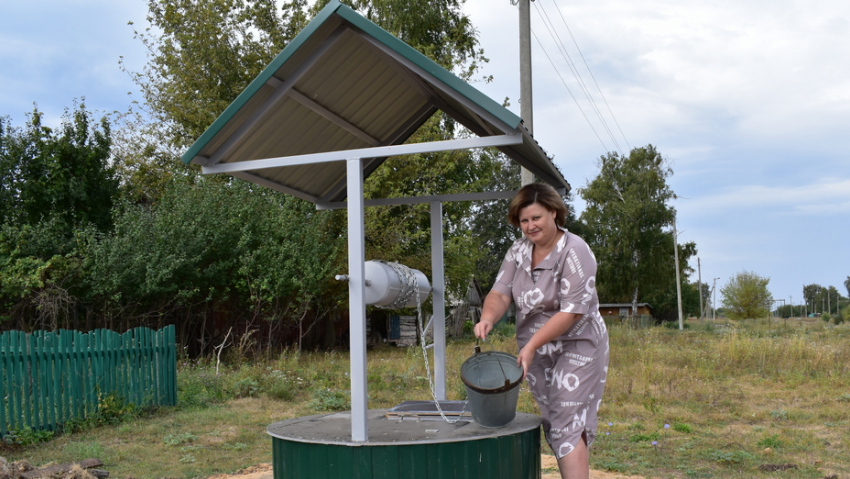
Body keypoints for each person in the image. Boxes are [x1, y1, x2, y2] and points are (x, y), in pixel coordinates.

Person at [474, 183, 609, 479]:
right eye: (524, 220)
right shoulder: (518, 251)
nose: (530, 226)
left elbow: (572, 311)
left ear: (553, 212)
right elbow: (500, 292)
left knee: (564, 414)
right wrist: (487, 317)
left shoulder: (576, 251)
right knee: (555, 419)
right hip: (535, 348)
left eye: (536, 218)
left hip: (578, 343)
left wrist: (532, 344)